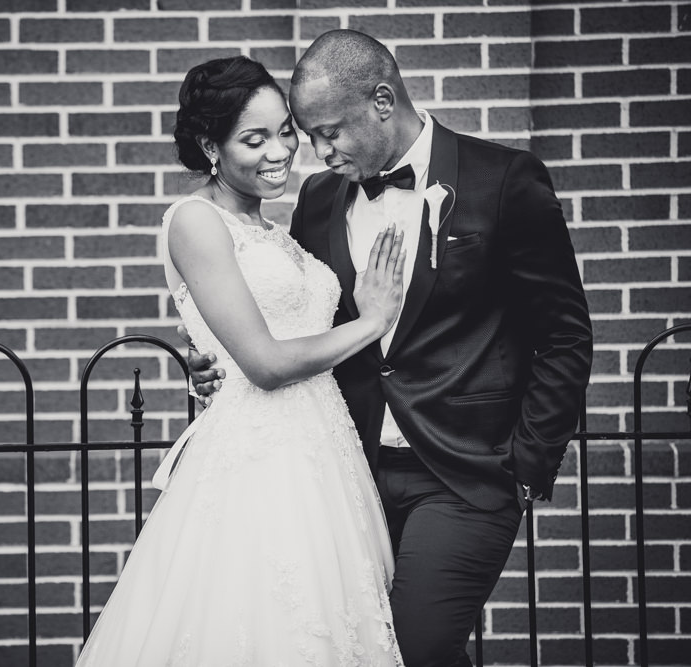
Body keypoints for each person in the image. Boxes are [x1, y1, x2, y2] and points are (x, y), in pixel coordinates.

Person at [190, 31, 594, 667]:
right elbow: (296, 325)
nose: (317, 154)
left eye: (330, 132)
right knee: (363, 650)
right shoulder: (321, 200)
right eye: (310, 134)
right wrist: (215, 364)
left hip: (464, 474)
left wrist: (529, 463)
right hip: (348, 472)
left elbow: (564, 333)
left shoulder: (504, 180)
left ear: (382, 100)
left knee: (412, 648)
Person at [75, 55, 407, 666]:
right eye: (254, 139)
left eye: (285, 130)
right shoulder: (195, 222)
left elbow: (280, 331)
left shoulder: (279, 229)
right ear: (210, 145)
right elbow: (266, 364)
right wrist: (372, 321)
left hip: (325, 455)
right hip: (259, 460)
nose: (280, 150)